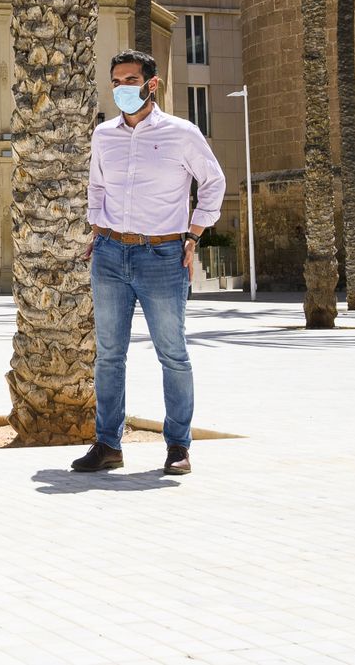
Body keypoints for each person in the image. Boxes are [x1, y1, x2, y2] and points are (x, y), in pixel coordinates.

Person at [73, 50, 226, 476]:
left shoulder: (182, 133)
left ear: (151, 84)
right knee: (108, 355)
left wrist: (194, 234)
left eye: (130, 80)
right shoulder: (104, 135)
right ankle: (108, 444)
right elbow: (96, 186)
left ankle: (178, 446)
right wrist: (97, 227)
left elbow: (213, 182)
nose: (122, 88)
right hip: (109, 254)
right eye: (116, 81)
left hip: (162, 255)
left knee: (172, 354)